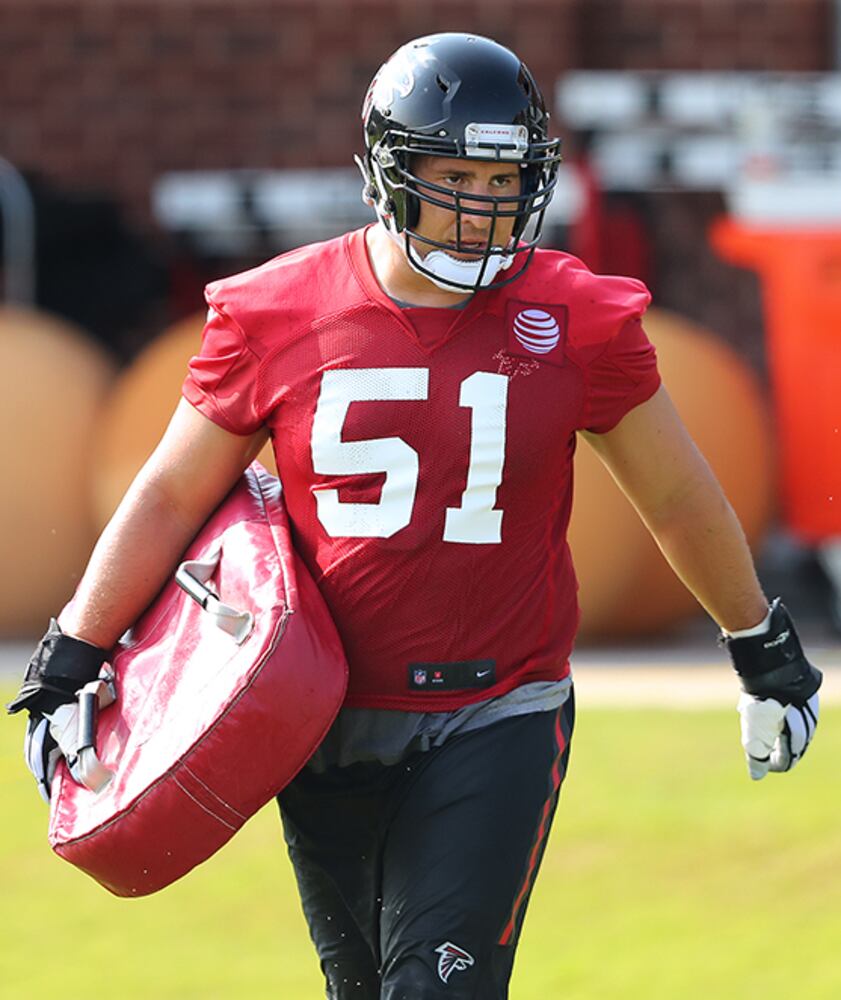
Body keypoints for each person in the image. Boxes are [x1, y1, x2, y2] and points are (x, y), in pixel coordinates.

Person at [8, 33, 821, 1000]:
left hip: (496, 708)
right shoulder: (274, 310)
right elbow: (170, 492)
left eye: (501, 178)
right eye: (453, 177)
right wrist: (75, 652)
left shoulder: (577, 317)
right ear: (386, 175)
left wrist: (757, 642)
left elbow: (677, 494)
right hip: (318, 716)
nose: (482, 208)